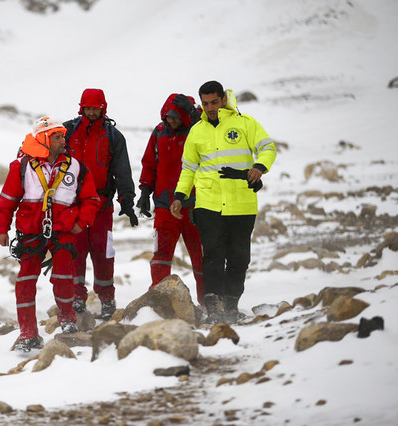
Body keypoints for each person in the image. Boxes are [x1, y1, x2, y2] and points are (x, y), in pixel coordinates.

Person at [170, 81, 276, 323]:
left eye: (214, 102)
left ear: (224, 100)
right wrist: (180, 195)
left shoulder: (245, 123)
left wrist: (260, 167)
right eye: (205, 104)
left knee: (239, 256)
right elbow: (188, 168)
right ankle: (215, 306)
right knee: (213, 255)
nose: (210, 108)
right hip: (208, 203)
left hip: (242, 202)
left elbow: (267, 147)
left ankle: (231, 303)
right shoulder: (197, 130)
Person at [0, 116, 100, 352]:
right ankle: (27, 334)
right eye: (57, 137)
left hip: (63, 231)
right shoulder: (21, 167)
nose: (64, 140)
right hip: (30, 233)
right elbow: (7, 201)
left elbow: (92, 199)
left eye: (63, 135)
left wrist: (80, 223)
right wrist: (2, 228)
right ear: (43, 139)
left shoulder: (76, 167)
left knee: (63, 277)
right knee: (24, 282)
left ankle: (68, 321)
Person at [63, 88, 137, 320]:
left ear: (103, 108)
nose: (92, 112)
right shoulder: (66, 132)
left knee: (103, 252)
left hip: (101, 205)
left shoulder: (113, 136)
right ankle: (76, 297)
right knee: (74, 251)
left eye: (96, 108)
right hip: (71, 205)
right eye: (88, 108)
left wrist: (127, 200)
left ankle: (107, 299)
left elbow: (122, 171)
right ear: (81, 107)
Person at [137, 94, 204, 304]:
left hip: (195, 206)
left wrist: (195, 117)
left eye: (175, 117)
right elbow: (149, 164)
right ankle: (159, 302)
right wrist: (145, 192)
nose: (170, 121)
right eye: (167, 117)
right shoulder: (159, 133)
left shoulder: (200, 130)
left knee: (201, 259)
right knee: (160, 257)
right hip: (165, 207)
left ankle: (207, 301)